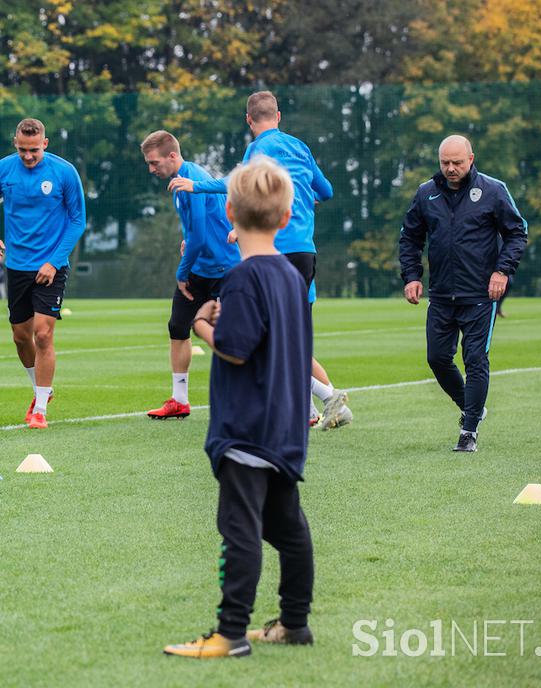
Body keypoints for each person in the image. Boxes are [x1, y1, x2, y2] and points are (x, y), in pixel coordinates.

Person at [164, 157, 315, 659]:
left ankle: (229, 634)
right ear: (288, 214)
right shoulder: (292, 276)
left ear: (227, 210)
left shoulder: (245, 278)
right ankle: (294, 623)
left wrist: (205, 322)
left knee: (240, 529)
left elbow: (235, 346)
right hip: (285, 425)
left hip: (247, 427)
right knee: (287, 528)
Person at [169, 91, 352, 430]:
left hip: (274, 251)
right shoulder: (300, 147)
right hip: (305, 252)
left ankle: (328, 397)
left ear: (249, 120)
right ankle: (310, 408)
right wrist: (298, 194)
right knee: (289, 335)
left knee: (265, 337)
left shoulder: (258, 149)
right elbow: (325, 191)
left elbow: (235, 184)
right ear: (278, 116)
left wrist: (196, 186)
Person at [399, 134, 527, 452]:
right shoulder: (426, 194)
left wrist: (502, 271)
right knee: (437, 358)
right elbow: (410, 238)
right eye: (445, 163)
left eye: (457, 162)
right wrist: (412, 276)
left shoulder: (493, 191)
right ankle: (473, 408)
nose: (451, 168)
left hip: (480, 295)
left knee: (475, 360)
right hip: (441, 295)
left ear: (471, 158)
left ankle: (469, 431)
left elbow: (517, 232)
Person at [0, 117, 86, 430]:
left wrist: (54, 261)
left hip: (50, 267)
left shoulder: (64, 172)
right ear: (15, 143)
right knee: (20, 337)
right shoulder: (3, 170)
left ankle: (39, 408)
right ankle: (43, 389)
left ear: (45, 144)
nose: (28, 156)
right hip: (17, 266)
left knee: (42, 333)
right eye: (23, 150)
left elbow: (77, 220)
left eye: (34, 150)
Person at [140, 130, 241, 420]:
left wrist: (182, 271)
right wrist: (188, 243)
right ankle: (180, 400)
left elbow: (198, 235)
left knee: (238, 337)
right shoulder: (178, 180)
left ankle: (310, 395)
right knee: (177, 326)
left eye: (154, 162)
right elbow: (195, 231)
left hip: (224, 269)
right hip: (201, 266)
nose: (151, 169)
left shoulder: (193, 178)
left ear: (172, 156)